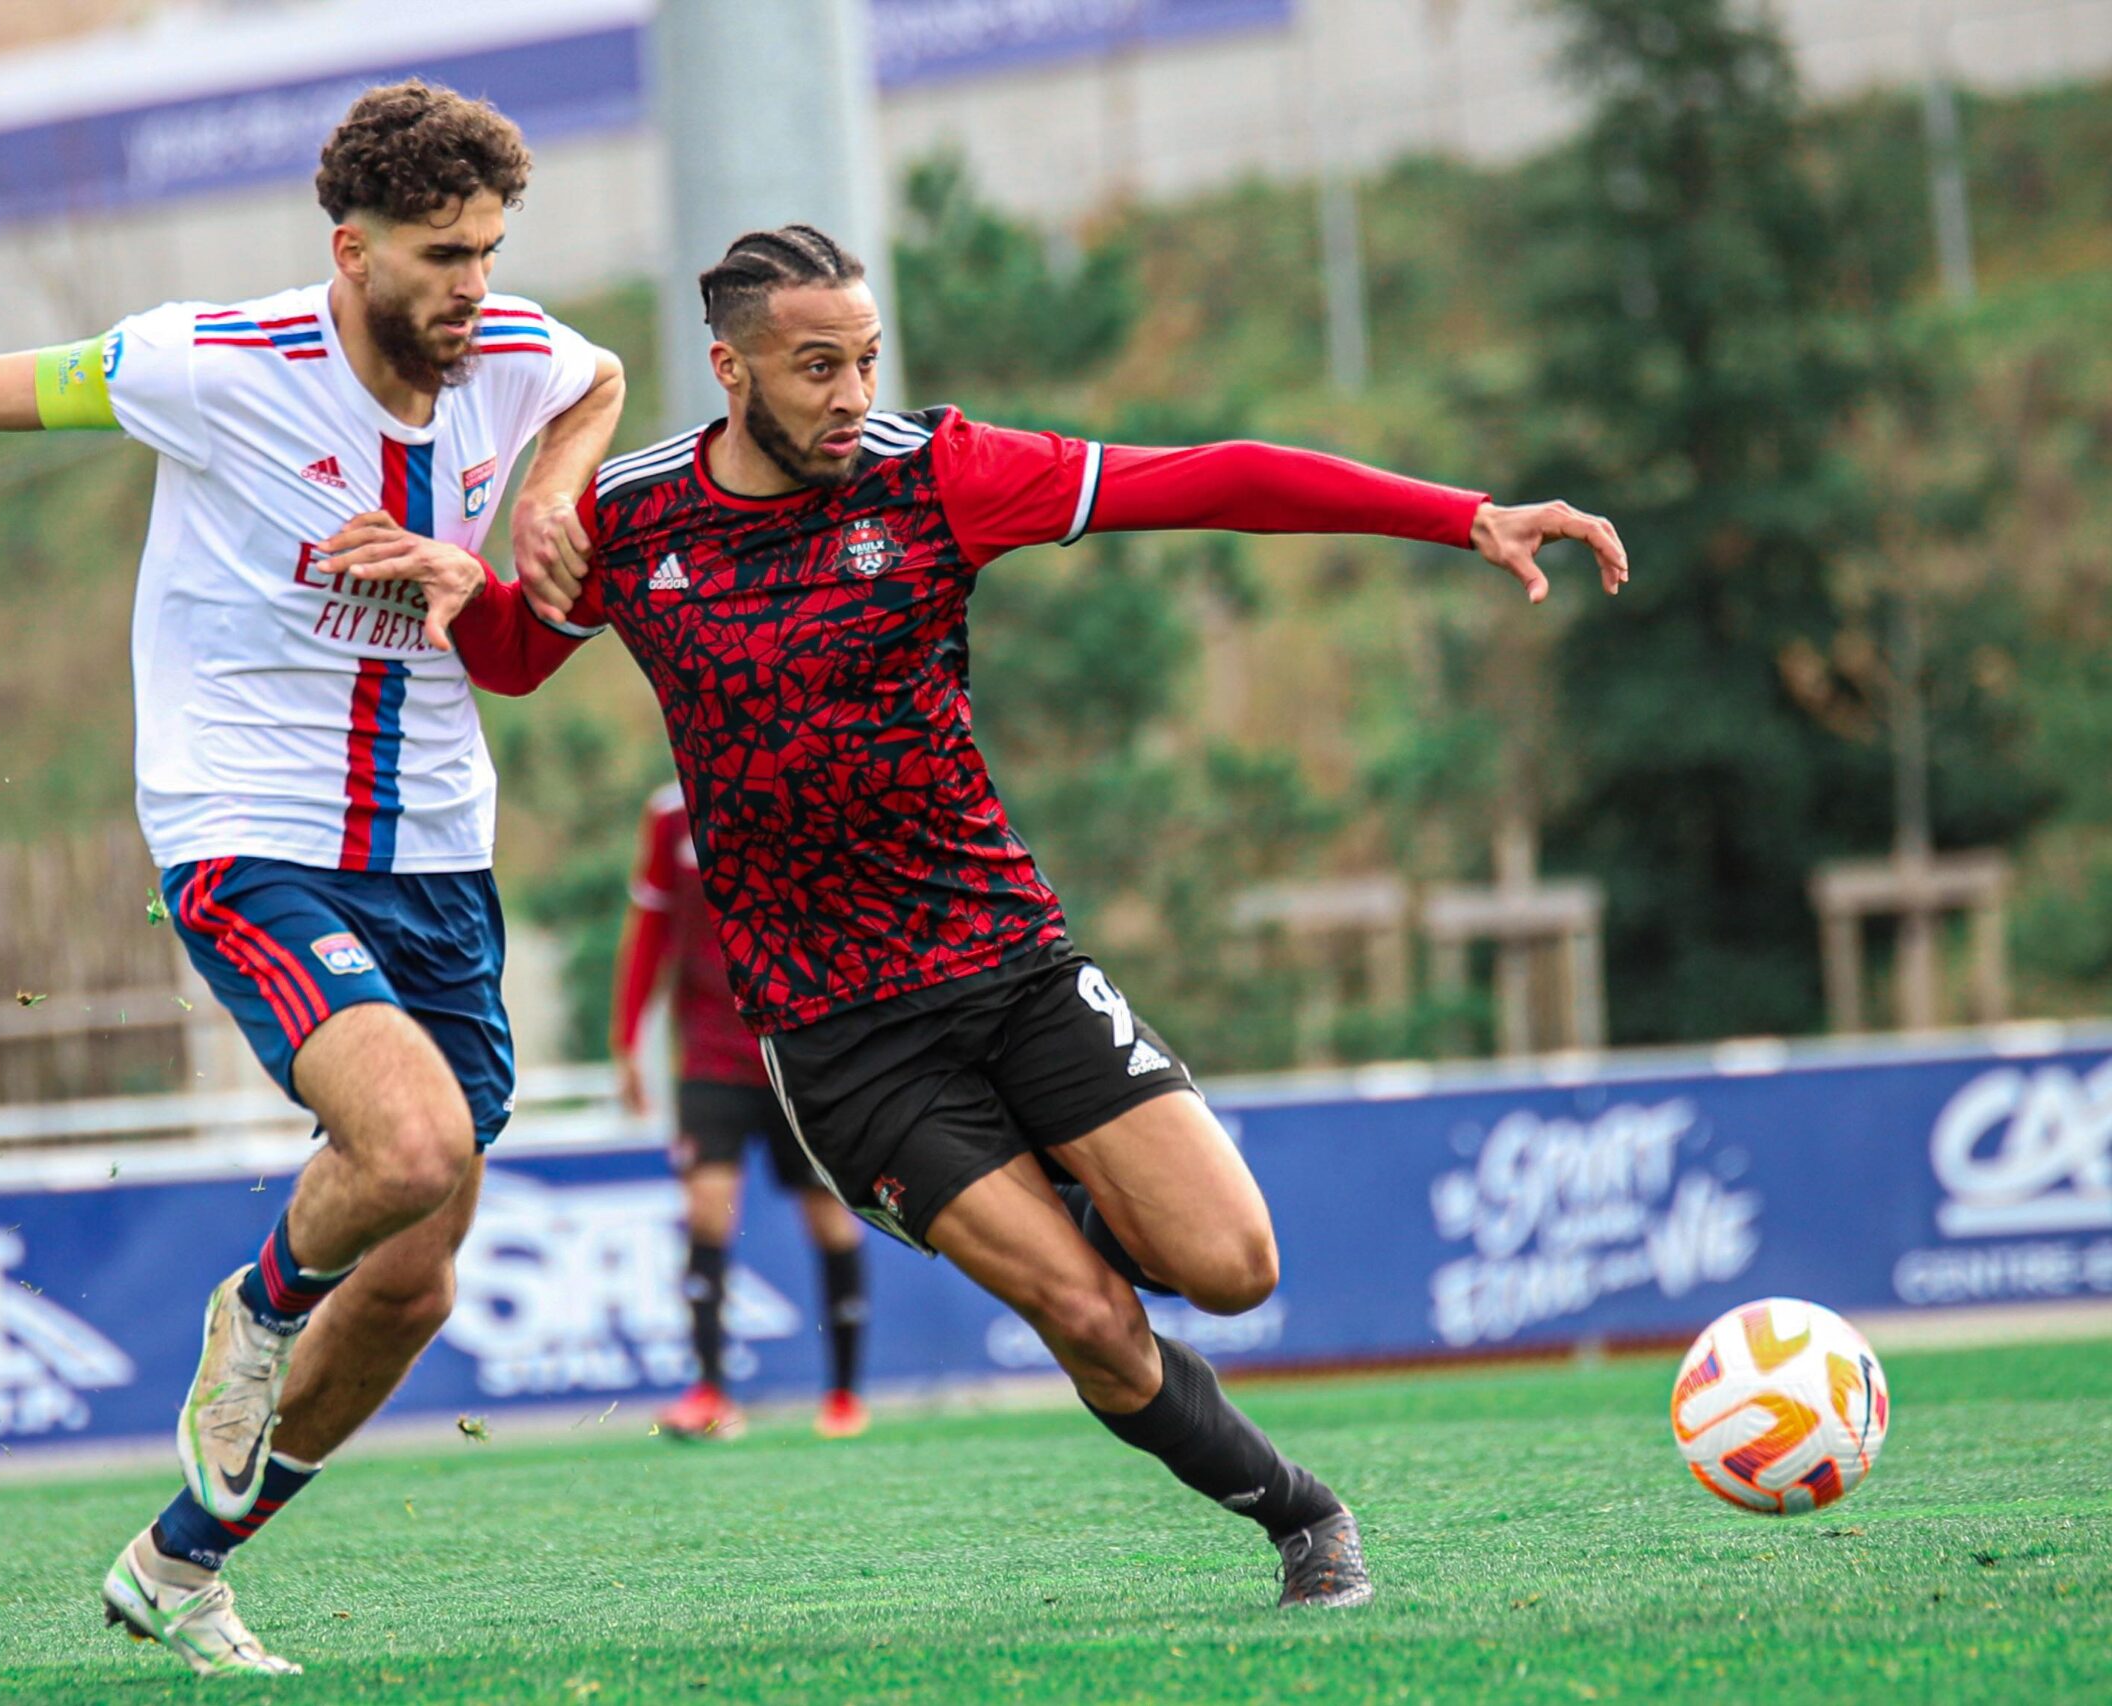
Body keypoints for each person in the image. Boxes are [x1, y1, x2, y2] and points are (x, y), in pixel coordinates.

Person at [337, 223, 1629, 1609]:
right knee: (1087, 1313)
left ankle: (1054, 1172)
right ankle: (1302, 1516)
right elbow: (522, 661)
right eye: (815, 365)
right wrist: (464, 590)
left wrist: (1459, 514)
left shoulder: (939, 472)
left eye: (866, 360)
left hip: (1006, 961)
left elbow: (1210, 480)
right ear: (729, 367)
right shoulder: (641, 515)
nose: (849, 392)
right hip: (839, 1038)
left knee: (1235, 1266)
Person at [0, 83, 626, 1675]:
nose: (474, 288)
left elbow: (597, 378)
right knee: (407, 1139)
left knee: (415, 1280)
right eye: (440, 256)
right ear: (348, 251)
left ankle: (180, 1562)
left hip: (435, 844)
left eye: (490, 251)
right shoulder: (214, 364)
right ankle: (261, 1307)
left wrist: (550, 498)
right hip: (245, 830)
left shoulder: (520, 351)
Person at [613, 779, 869, 1441]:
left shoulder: (798, 790)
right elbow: (651, 932)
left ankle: (844, 1396)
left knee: (831, 1219)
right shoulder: (669, 813)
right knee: (705, 1212)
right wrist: (628, 1043)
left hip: (800, 1054)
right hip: (710, 1060)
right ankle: (710, 1393)